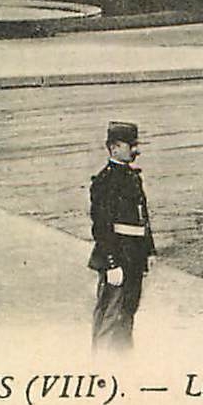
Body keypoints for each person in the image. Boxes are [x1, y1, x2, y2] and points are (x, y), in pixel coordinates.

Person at [88, 120, 155, 351]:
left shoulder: (132, 177)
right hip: (117, 256)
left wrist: (149, 250)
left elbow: (142, 217)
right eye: (131, 145)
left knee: (127, 315)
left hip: (134, 256)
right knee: (110, 316)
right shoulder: (105, 181)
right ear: (114, 147)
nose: (136, 150)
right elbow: (101, 227)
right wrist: (112, 263)